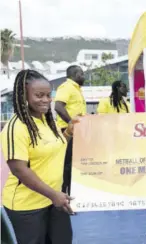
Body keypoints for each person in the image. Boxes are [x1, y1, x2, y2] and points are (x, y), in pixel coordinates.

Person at [1, 70, 79, 244]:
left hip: (55, 200)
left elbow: (53, 149)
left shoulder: (46, 121)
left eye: (48, 95)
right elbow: (19, 170)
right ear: (24, 96)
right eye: (38, 95)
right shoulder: (17, 127)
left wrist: (68, 132)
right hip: (27, 207)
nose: (45, 100)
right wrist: (54, 195)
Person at [54, 65, 86, 195]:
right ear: (76, 74)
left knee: (73, 165)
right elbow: (58, 106)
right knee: (66, 165)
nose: (83, 77)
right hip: (67, 132)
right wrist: (70, 123)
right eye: (82, 74)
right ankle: (63, 194)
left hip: (76, 132)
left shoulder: (77, 89)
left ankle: (72, 193)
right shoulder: (67, 87)